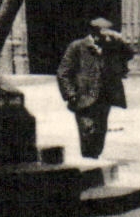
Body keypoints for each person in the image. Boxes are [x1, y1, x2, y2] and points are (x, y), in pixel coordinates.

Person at [56, 17, 135, 160]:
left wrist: (120, 40)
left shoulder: (111, 46)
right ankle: (89, 158)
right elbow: (63, 72)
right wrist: (70, 94)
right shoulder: (77, 46)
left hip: (104, 96)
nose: (106, 37)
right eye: (102, 33)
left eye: (108, 34)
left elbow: (129, 54)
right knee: (87, 130)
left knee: (100, 130)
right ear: (93, 32)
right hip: (84, 96)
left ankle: (94, 157)